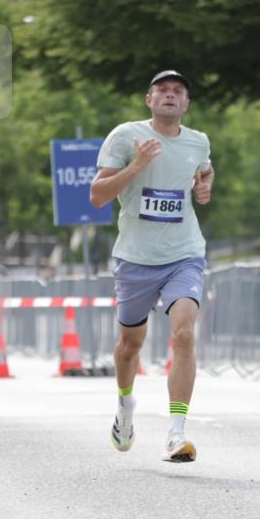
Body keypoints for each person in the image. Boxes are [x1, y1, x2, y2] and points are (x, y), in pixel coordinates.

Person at [90, 70, 214, 463]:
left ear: (186, 103)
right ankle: (125, 409)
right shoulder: (126, 136)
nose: (170, 95)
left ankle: (176, 433)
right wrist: (137, 165)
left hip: (184, 254)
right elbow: (97, 195)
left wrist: (204, 186)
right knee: (130, 346)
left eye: (178, 91)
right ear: (149, 100)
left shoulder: (198, 141)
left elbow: (204, 169)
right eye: (162, 90)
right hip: (135, 259)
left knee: (184, 335)